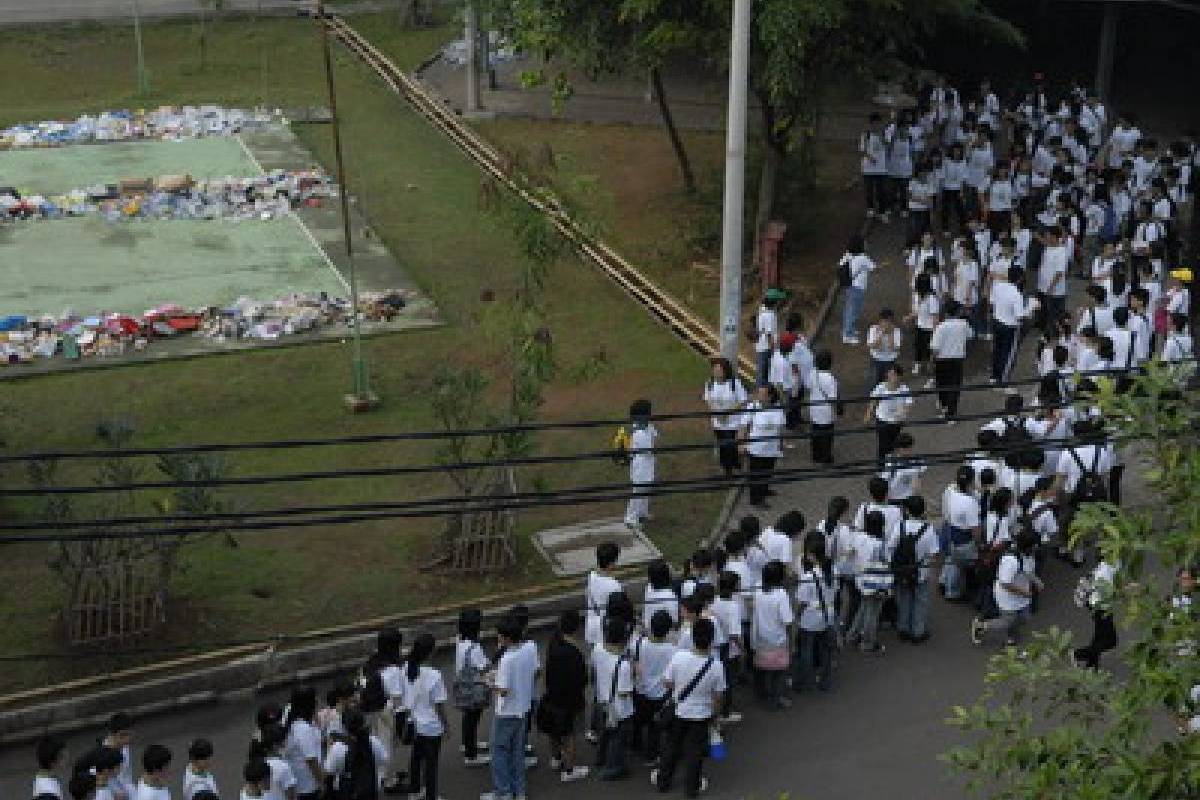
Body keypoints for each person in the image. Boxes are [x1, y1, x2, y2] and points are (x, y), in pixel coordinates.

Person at [651, 618, 726, 798]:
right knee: (695, 753)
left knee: (671, 748)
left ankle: (663, 782)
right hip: (701, 716)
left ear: (692, 637)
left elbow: (667, 682)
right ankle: (692, 788)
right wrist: (716, 717)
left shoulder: (679, 656)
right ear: (712, 639)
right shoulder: (716, 666)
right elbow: (718, 697)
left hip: (678, 711)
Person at [482, 615, 533, 800]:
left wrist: (488, 682)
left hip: (506, 712)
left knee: (498, 751)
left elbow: (503, 691)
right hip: (523, 706)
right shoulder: (529, 648)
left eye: (500, 636)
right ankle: (519, 790)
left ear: (507, 638)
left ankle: (503, 792)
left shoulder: (507, 659)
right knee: (517, 751)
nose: (498, 639)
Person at [538, 610, 589, 784]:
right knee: (570, 735)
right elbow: (582, 680)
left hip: (552, 696)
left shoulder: (553, 642)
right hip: (570, 701)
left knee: (553, 731)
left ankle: (555, 758)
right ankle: (569, 770)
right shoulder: (574, 653)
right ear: (576, 629)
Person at [972, 527, 1042, 647]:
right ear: (1028, 546)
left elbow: (1028, 570)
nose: (1037, 547)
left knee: (1024, 618)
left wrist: (1036, 581)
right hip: (1008, 596)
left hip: (1022, 594)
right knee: (1007, 621)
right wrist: (1024, 592)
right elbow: (1005, 583)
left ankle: (1011, 636)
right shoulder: (1011, 561)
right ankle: (981, 626)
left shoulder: (1028, 556)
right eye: (1035, 545)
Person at [357, 628, 405, 795]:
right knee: (386, 748)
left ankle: (383, 777)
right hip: (384, 713)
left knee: (375, 745)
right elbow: (397, 699)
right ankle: (386, 782)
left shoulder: (370, 663)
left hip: (366, 711)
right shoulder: (392, 670)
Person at [400, 633, 447, 800]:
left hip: (415, 722)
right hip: (432, 727)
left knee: (416, 758)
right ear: (430, 652)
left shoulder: (406, 668)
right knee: (431, 764)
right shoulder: (434, 675)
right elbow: (439, 705)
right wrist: (446, 726)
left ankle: (414, 790)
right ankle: (431, 796)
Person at [890, 495, 941, 643]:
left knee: (904, 599)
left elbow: (891, 546)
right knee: (920, 601)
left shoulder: (900, 526)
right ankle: (918, 631)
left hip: (903, 571)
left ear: (907, 510)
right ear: (923, 510)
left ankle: (903, 629)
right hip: (921, 571)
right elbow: (934, 554)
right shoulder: (929, 530)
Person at [630, 610, 678, 765]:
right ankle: (651, 755)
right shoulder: (672, 650)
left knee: (638, 720)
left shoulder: (638, 643)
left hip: (640, 690)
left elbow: (633, 661)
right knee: (654, 726)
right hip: (660, 694)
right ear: (668, 630)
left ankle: (635, 744)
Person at [592, 617, 635, 781]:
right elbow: (624, 692)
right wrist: (633, 673)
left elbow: (594, 670)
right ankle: (613, 768)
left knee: (605, 733)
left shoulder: (597, 649)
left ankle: (600, 759)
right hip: (620, 709)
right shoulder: (623, 665)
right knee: (617, 740)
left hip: (603, 700)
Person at [794, 537, 837, 690]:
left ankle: (803, 680)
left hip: (810, 619)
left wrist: (796, 617)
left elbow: (802, 602)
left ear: (812, 555)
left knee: (806, 650)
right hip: (827, 616)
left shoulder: (808, 577)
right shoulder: (833, 571)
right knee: (826, 651)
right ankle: (825, 681)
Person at [752, 560, 794, 709]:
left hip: (761, 638)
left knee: (764, 669)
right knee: (779, 671)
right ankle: (776, 698)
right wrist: (791, 639)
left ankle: (764, 693)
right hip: (778, 639)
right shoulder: (781, 595)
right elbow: (788, 621)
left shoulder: (758, 592)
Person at [850, 511, 890, 655]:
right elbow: (886, 563)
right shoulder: (880, 544)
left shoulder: (858, 537)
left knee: (863, 608)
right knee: (872, 614)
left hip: (860, 579)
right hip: (875, 583)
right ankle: (867, 643)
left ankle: (853, 635)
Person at [323, 710, 388, 800]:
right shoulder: (373, 741)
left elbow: (329, 771)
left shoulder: (338, 747)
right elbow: (384, 760)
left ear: (344, 726)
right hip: (369, 790)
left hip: (347, 792)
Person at [455, 610, 491, 768]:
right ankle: (471, 755)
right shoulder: (474, 648)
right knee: (473, 718)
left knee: (468, 718)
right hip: (474, 689)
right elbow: (484, 667)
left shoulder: (460, 642)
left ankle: (468, 744)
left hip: (463, 687)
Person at [740, 384, 785, 506]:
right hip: (756, 449)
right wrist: (741, 444)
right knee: (756, 476)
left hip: (771, 449)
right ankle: (756, 500)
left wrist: (781, 445)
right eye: (758, 393)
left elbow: (780, 428)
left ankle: (764, 490)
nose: (759, 396)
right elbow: (743, 426)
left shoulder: (778, 408)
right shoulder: (753, 407)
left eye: (762, 394)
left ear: (770, 397)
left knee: (768, 471)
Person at [702, 358, 748, 477]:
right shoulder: (710, 383)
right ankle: (727, 469)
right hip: (718, 422)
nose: (717, 372)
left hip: (733, 422)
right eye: (715, 369)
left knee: (731, 446)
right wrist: (716, 414)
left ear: (725, 370)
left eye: (719, 369)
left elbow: (743, 400)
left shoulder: (734, 383)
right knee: (723, 446)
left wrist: (727, 412)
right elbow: (708, 400)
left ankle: (735, 466)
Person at [941, 466, 981, 601]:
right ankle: (964, 592)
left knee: (952, 563)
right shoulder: (970, 502)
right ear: (971, 482)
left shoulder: (950, 491)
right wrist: (979, 544)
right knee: (968, 566)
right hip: (965, 540)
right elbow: (975, 529)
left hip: (950, 532)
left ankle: (947, 587)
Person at [1073, 559, 1119, 670]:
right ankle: (1078, 654)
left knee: (1099, 636)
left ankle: (1091, 666)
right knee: (1111, 641)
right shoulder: (1104, 571)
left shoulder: (1107, 565)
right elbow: (1106, 592)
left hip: (1098, 605)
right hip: (1100, 607)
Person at [864, 363, 913, 466]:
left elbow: (908, 404)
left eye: (894, 374)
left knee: (894, 444)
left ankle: (890, 465)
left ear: (899, 376)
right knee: (883, 445)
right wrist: (868, 414)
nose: (891, 376)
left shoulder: (904, 389)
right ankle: (881, 467)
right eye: (890, 374)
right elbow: (873, 402)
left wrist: (903, 413)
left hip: (896, 422)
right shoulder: (880, 387)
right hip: (882, 420)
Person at [930, 299, 971, 420]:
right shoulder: (964, 324)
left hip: (942, 360)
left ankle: (944, 406)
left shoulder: (941, 327)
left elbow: (935, 347)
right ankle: (951, 413)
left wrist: (932, 360)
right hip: (958, 360)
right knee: (955, 386)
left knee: (942, 385)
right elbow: (970, 335)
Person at [283, 688, 323, 800]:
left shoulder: (292, 718)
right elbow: (311, 761)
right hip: (309, 786)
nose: (318, 702)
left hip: (302, 784)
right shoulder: (303, 728)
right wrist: (322, 782)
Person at [989, 265, 1027, 383]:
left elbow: (992, 303)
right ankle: (1003, 379)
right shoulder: (1016, 294)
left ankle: (994, 376)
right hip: (1009, 327)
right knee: (1008, 353)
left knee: (997, 350)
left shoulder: (998, 286)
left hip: (996, 322)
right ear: (1019, 278)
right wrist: (1030, 310)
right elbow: (1019, 316)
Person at [840, 234, 879, 344]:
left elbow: (841, 266)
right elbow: (873, 268)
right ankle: (848, 335)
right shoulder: (863, 258)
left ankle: (849, 330)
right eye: (864, 243)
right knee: (853, 311)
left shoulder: (848, 255)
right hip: (858, 288)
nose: (866, 244)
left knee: (849, 309)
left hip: (849, 285)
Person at [624, 399, 657, 530]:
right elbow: (648, 449)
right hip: (641, 464)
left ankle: (642, 513)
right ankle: (630, 518)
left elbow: (654, 433)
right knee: (638, 491)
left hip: (648, 463)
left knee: (646, 490)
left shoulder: (647, 427)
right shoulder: (638, 433)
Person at [585, 542, 623, 647]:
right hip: (605, 631)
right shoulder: (614, 585)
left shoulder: (591, 576)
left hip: (591, 627)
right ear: (611, 564)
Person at [807, 349, 841, 465]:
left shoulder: (812, 374)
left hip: (814, 407)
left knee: (815, 431)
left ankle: (815, 455)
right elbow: (833, 398)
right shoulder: (830, 378)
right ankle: (825, 457)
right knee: (826, 435)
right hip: (826, 410)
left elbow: (808, 386)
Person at [907, 272, 941, 377]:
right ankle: (918, 364)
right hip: (919, 326)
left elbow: (935, 318)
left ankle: (930, 369)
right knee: (918, 347)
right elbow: (917, 312)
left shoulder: (932, 299)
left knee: (928, 350)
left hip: (929, 329)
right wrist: (909, 317)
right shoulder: (917, 297)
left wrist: (935, 333)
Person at [102, 713, 135, 800]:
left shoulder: (125, 747)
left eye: (129, 734)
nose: (127, 739)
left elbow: (127, 776)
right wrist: (115, 793)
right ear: (112, 734)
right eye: (122, 735)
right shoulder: (100, 756)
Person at [754, 290, 783, 386]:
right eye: (778, 300)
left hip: (761, 345)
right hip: (767, 347)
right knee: (765, 372)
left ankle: (761, 390)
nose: (779, 302)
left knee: (761, 370)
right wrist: (773, 349)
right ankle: (763, 391)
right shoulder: (769, 314)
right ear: (773, 302)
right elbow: (769, 333)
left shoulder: (762, 310)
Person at [866, 307, 902, 386]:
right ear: (880, 321)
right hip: (876, 360)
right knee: (875, 382)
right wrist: (881, 334)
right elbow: (873, 346)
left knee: (888, 382)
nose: (888, 324)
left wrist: (890, 334)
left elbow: (894, 348)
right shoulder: (873, 329)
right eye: (885, 321)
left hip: (890, 360)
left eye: (890, 321)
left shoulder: (896, 331)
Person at [643, 559, 680, 632]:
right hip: (668, 633)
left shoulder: (648, 590)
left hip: (650, 630)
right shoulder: (672, 596)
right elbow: (675, 622)